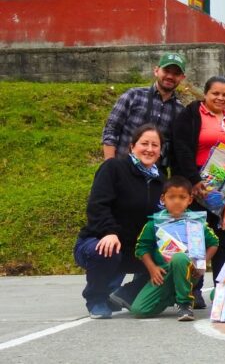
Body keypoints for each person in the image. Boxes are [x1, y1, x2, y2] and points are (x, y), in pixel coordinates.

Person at [75, 124, 167, 319]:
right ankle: (96, 298)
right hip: (103, 240)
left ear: (160, 151)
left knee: (174, 257)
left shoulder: (161, 179)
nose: (149, 149)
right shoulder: (114, 168)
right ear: (132, 146)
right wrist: (109, 232)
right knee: (107, 249)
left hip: (137, 248)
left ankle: (127, 293)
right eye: (144, 143)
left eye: (155, 145)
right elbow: (97, 206)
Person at [168, 75, 225, 289]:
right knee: (196, 238)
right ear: (205, 94)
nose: (220, 98)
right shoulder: (191, 114)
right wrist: (193, 180)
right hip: (198, 186)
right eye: (215, 93)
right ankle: (194, 289)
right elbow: (181, 148)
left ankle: (222, 288)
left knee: (221, 239)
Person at [130, 176, 219, 321]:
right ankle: (173, 295)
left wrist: (202, 264)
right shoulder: (154, 223)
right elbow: (142, 248)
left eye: (182, 197)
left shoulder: (196, 222)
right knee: (139, 310)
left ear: (189, 200)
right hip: (164, 274)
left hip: (190, 272)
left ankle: (184, 304)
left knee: (179, 257)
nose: (177, 201)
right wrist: (152, 268)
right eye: (171, 197)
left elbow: (214, 243)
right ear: (163, 199)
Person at [101, 53, 186, 162]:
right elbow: (111, 129)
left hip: (153, 174)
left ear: (182, 78)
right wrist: (109, 165)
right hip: (122, 167)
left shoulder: (180, 110)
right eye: (166, 71)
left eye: (176, 73)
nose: (170, 76)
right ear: (156, 71)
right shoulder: (134, 95)